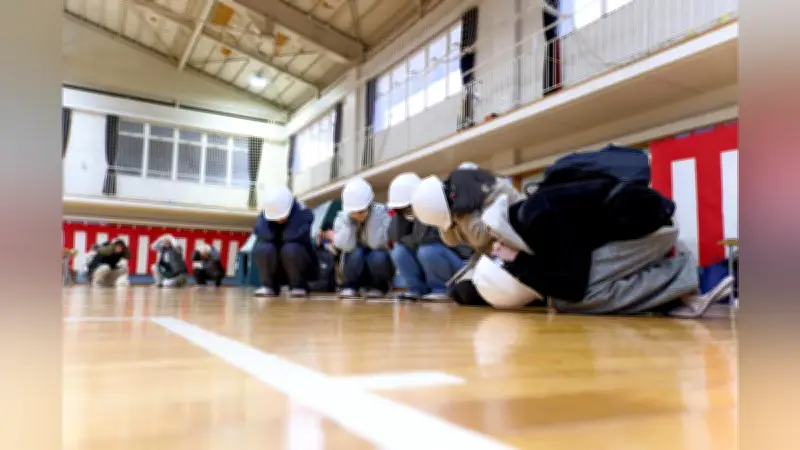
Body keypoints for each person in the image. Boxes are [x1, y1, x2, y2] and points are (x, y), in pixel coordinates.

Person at [467, 145, 735, 318]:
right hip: (643, 222)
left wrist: (523, 264)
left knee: (573, 300)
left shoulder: (541, 221)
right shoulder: (530, 214)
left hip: (656, 231)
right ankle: (670, 293)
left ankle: (689, 277)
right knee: (569, 287)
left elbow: (573, 285)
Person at [411, 167, 525, 301]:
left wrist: (461, 211)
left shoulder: (492, 189)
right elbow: (450, 240)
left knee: (468, 292)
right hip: (494, 256)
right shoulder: (456, 200)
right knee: (459, 292)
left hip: (517, 256)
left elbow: (479, 238)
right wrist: (448, 221)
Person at [387, 172, 465, 301]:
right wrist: (401, 218)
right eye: (401, 209)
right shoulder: (403, 216)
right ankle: (416, 289)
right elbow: (394, 236)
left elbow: (427, 239)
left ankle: (440, 289)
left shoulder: (437, 206)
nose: (406, 211)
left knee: (427, 250)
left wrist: (418, 215)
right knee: (398, 251)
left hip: (456, 264)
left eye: (407, 207)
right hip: (430, 263)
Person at [331, 177, 394, 299]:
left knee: (377, 255)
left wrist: (372, 219)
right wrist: (351, 223)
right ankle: (351, 286)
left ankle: (378, 286)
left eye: (361, 211)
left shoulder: (382, 213)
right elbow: (345, 245)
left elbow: (376, 243)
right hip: (355, 264)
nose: (358, 215)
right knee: (356, 252)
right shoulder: (342, 218)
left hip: (377, 262)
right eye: (354, 211)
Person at [252, 185, 318, 297]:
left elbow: (292, 236)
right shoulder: (267, 211)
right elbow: (261, 234)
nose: (279, 219)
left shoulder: (303, 212)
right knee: (263, 248)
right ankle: (269, 285)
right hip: (276, 265)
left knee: (291, 248)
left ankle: (298, 286)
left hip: (300, 264)